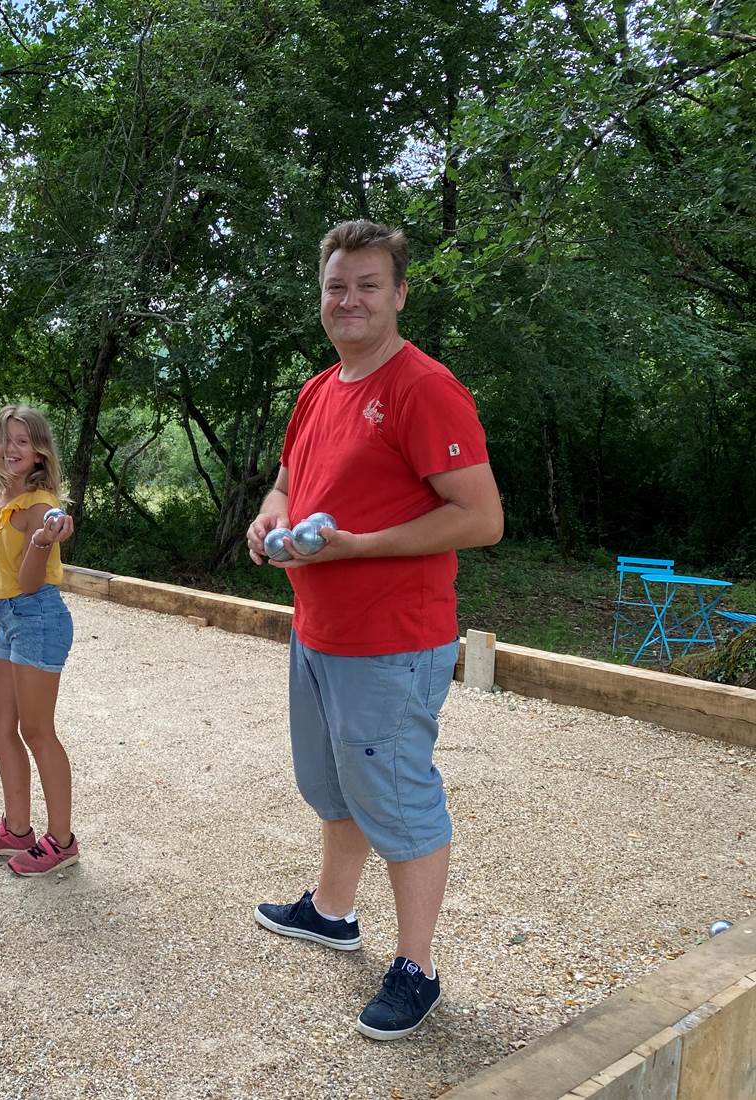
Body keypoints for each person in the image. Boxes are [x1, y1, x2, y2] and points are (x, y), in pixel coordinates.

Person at [246, 220, 504, 1040]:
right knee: (334, 786)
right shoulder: (320, 389)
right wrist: (269, 519)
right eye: (336, 286)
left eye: (367, 285)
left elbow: (482, 518)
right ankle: (331, 912)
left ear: (398, 295)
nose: (348, 299)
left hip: (392, 638)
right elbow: (288, 482)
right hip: (319, 628)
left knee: (397, 798)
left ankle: (417, 967)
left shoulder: (424, 387)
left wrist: (361, 547)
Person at [0, 404, 79, 877]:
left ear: (39, 452)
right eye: (6, 439)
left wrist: (43, 542)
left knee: (37, 730)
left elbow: (29, 582)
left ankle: (61, 841)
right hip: (10, 617)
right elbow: (5, 572)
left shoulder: (40, 508)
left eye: (23, 441)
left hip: (38, 618)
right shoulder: (7, 497)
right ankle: (17, 829)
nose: (12, 449)